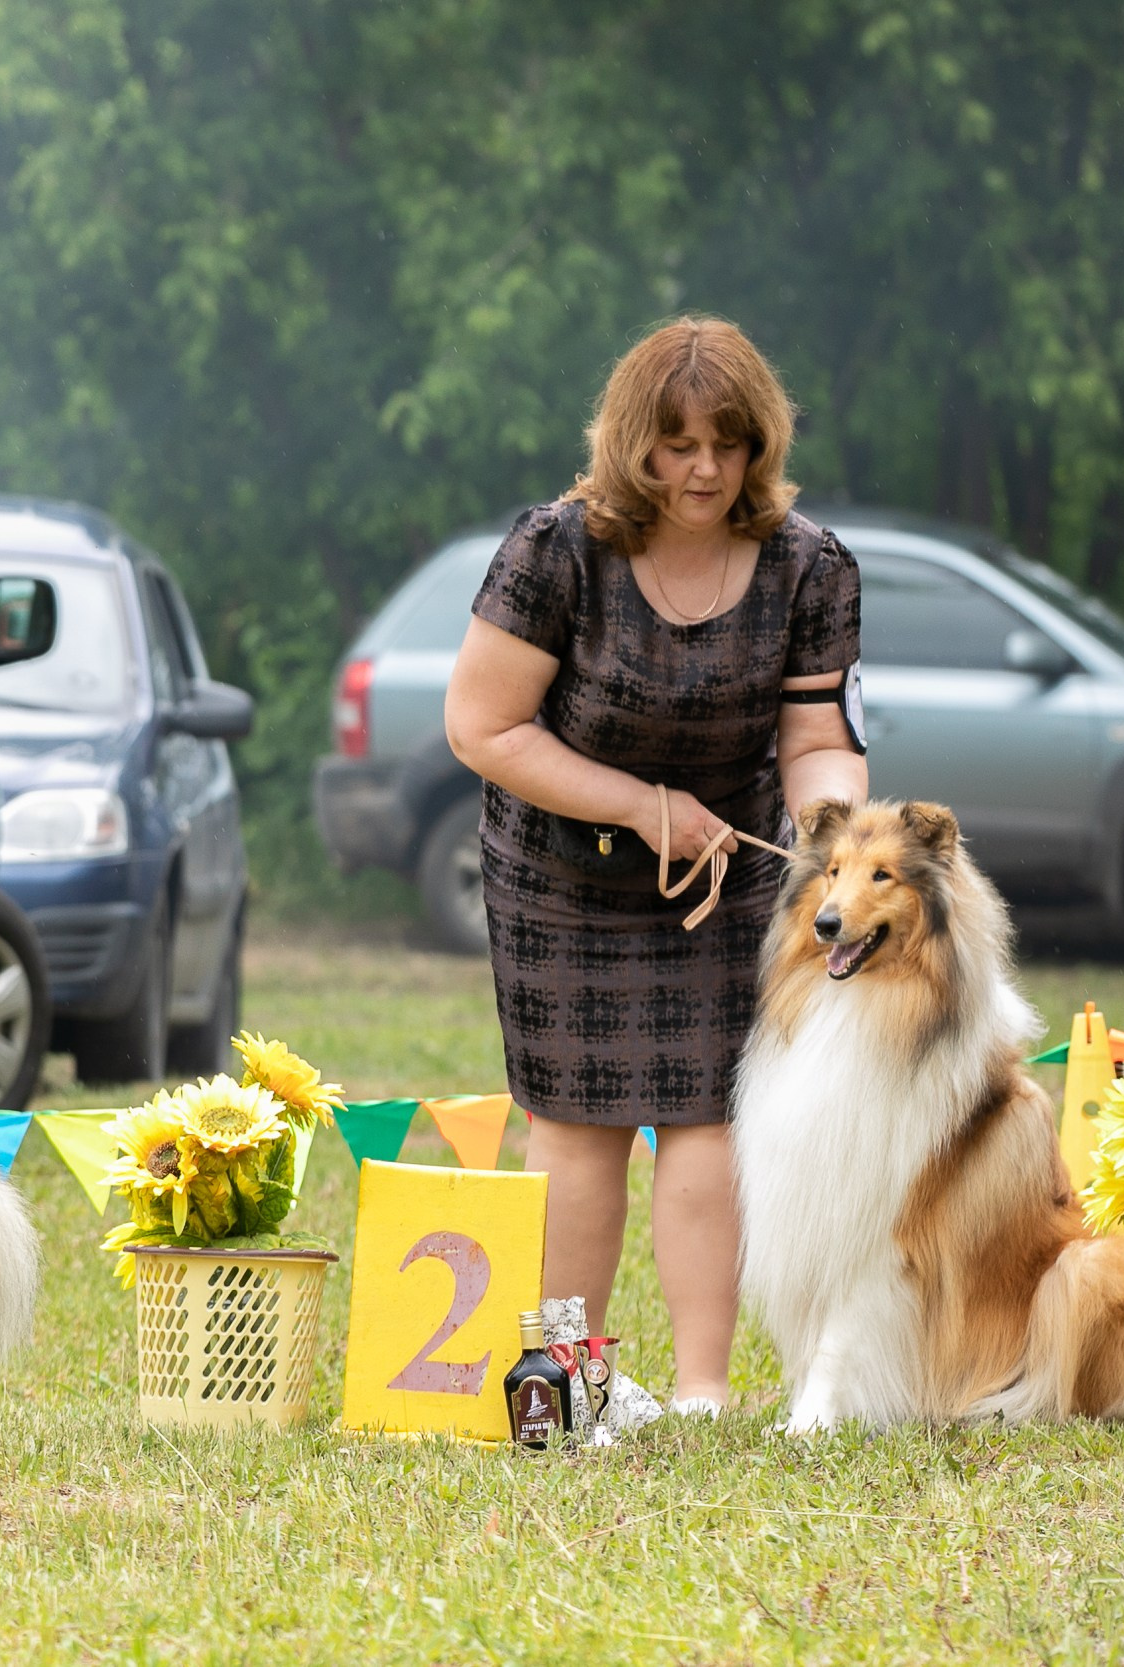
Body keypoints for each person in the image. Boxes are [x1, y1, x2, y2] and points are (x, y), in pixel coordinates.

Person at [441, 317, 866, 1411]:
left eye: (727, 444)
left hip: (727, 881)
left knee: (710, 1120)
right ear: (634, 442)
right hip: (560, 876)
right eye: (678, 445)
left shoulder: (811, 567)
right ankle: (568, 1382)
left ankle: (702, 1389)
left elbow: (817, 738)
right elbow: (482, 726)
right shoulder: (555, 551)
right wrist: (642, 806)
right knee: (575, 1128)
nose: (704, 470)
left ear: (760, 444)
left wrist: (829, 832)